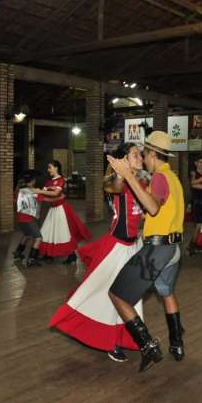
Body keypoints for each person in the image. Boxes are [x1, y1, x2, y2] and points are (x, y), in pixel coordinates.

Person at [50, 143, 147, 363]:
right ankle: (108, 340)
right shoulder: (117, 182)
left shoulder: (139, 182)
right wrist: (120, 171)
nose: (140, 157)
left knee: (129, 296)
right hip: (116, 248)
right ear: (123, 160)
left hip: (132, 246)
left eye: (140, 154)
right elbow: (113, 186)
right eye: (135, 155)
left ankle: (126, 336)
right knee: (105, 294)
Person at [107, 131, 185, 372]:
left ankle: (148, 346)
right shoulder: (173, 178)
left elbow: (152, 208)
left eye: (145, 154)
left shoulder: (160, 177)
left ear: (153, 154)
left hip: (158, 249)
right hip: (174, 249)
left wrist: (128, 174)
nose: (143, 158)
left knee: (117, 295)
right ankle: (177, 343)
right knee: (166, 293)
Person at [38, 160, 91, 264]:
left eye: (50, 167)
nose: (48, 170)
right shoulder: (48, 182)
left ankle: (72, 255)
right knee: (47, 231)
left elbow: (55, 193)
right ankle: (49, 254)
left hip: (61, 209)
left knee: (63, 232)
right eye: (48, 168)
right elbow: (44, 194)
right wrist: (38, 193)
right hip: (53, 209)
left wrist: (40, 192)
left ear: (56, 168)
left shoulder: (61, 180)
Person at [14, 170, 44, 267]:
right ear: (33, 181)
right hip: (29, 219)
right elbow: (43, 200)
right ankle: (32, 259)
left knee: (27, 234)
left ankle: (18, 252)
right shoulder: (34, 191)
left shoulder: (19, 190)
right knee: (38, 237)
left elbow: (15, 199)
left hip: (20, 218)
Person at [187, 156, 202, 256]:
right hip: (197, 201)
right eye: (200, 162)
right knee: (198, 225)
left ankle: (197, 245)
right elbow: (193, 185)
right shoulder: (193, 173)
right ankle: (190, 246)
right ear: (196, 163)